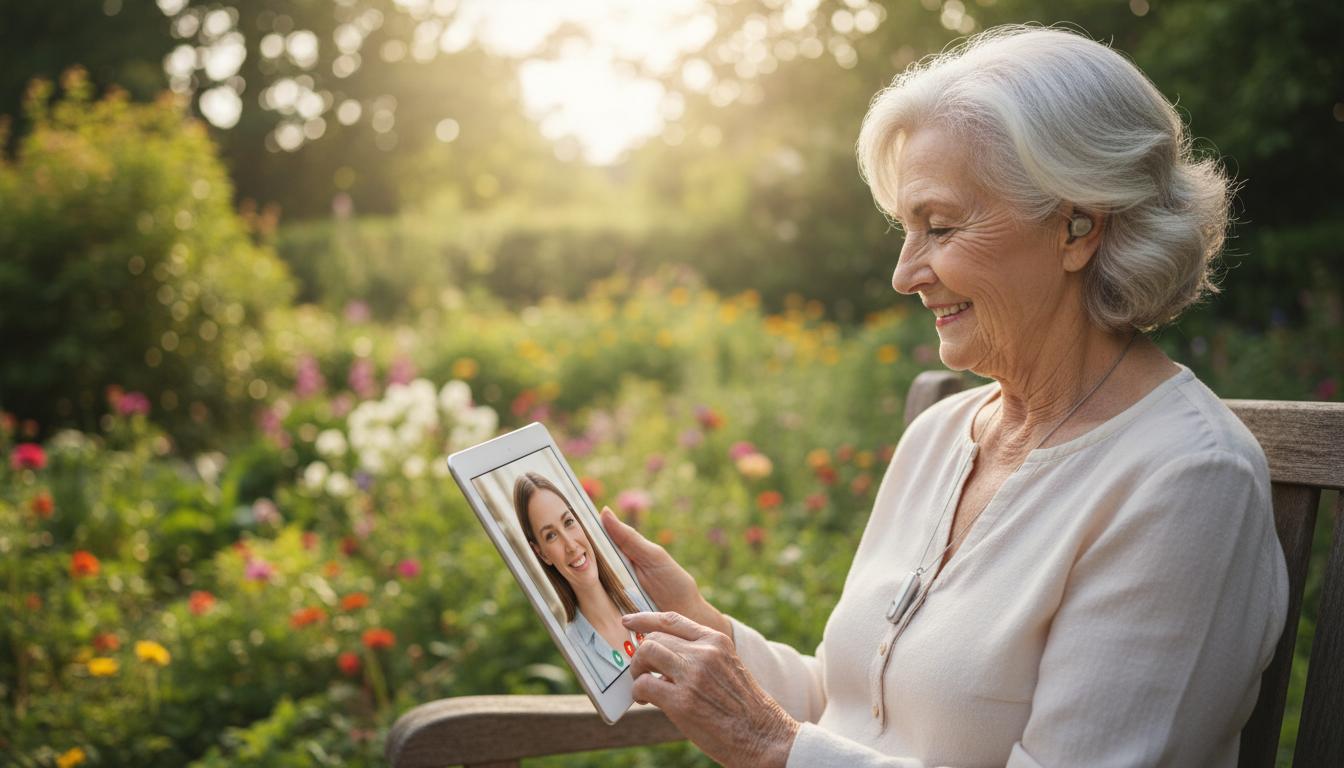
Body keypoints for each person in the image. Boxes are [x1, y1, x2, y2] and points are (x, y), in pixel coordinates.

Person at [600, 25, 1289, 768]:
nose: (904, 273)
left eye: (940, 227)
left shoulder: (1188, 480)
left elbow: (798, 743)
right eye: (907, 230)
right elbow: (848, 706)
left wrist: (769, 745)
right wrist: (700, 625)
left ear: (1078, 228)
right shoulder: (943, 434)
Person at [513, 471, 650, 689]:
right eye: (551, 535)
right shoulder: (573, 646)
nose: (570, 545)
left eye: (568, 522)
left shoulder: (643, 601)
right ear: (541, 553)